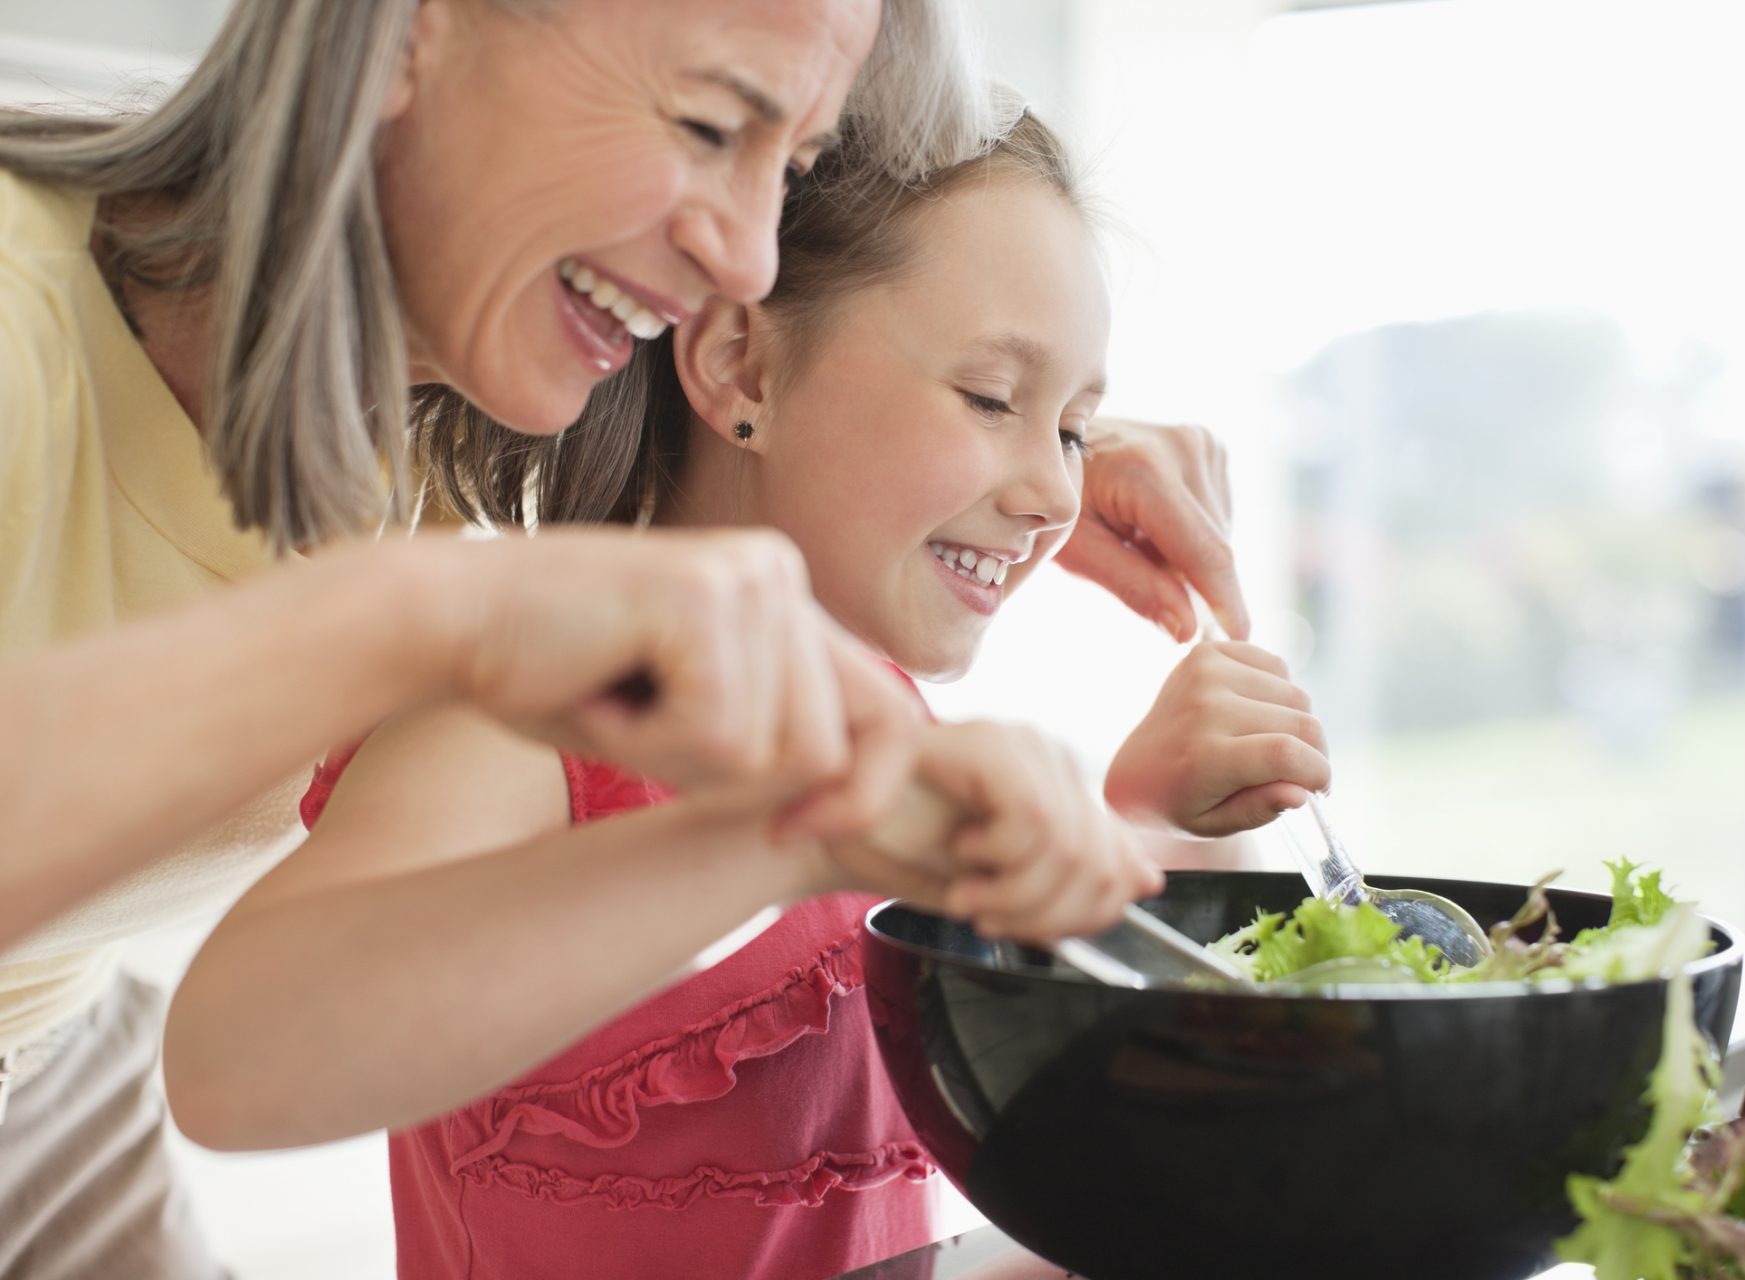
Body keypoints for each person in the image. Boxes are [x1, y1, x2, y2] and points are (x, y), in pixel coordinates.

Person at [0, 1, 1238, 1275]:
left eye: (792, 166)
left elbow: (754, 384)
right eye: (710, 123)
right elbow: (240, 1054)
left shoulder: (409, 385)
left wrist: (1018, 454)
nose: (745, 256)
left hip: (49, 1048)